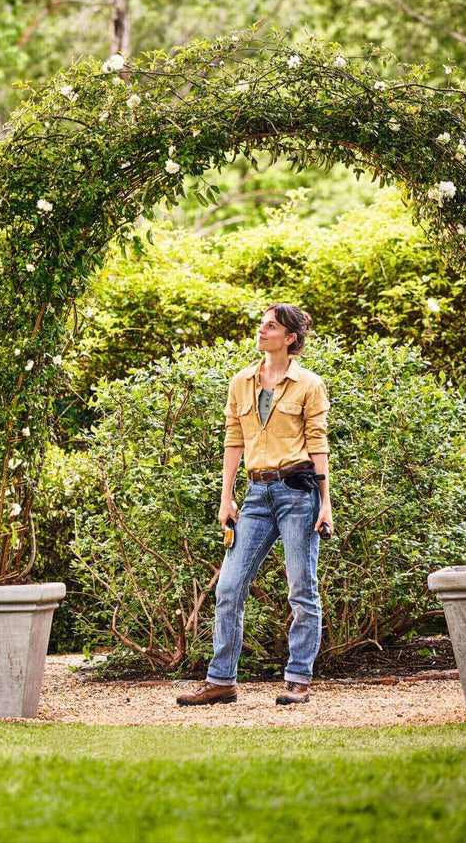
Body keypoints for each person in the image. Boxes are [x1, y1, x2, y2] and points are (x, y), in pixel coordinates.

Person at [177, 303, 333, 707]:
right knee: (228, 588)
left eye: (270, 327)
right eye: (262, 325)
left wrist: (325, 503)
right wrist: (226, 497)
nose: (261, 331)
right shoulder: (241, 382)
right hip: (255, 495)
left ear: (290, 339)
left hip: (298, 494)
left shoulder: (308, 384)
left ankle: (298, 679)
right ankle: (222, 681)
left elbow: (317, 444)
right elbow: (234, 439)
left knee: (302, 590)